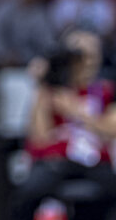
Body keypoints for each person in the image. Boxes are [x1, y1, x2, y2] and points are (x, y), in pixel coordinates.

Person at [11, 28, 116, 220]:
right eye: (79, 55)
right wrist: (42, 86)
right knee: (27, 192)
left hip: (95, 162)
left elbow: (112, 128)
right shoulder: (51, 90)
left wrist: (76, 111)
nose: (86, 62)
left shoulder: (106, 90)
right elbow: (40, 136)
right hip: (56, 161)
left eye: (91, 54)